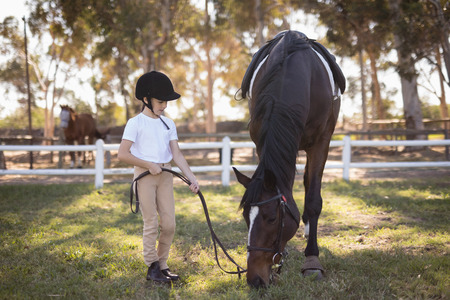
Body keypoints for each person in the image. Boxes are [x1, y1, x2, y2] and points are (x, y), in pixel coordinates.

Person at [118, 71, 199, 283]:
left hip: (165, 175)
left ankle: (163, 265)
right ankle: (152, 266)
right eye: (161, 101)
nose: (164, 106)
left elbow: (177, 154)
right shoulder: (135, 123)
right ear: (146, 99)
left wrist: (191, 178)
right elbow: (122, 154)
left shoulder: (168, 124)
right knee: (151, 223)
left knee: (169, 224)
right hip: (144, 175)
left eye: (166, 102)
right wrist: (148, 164)